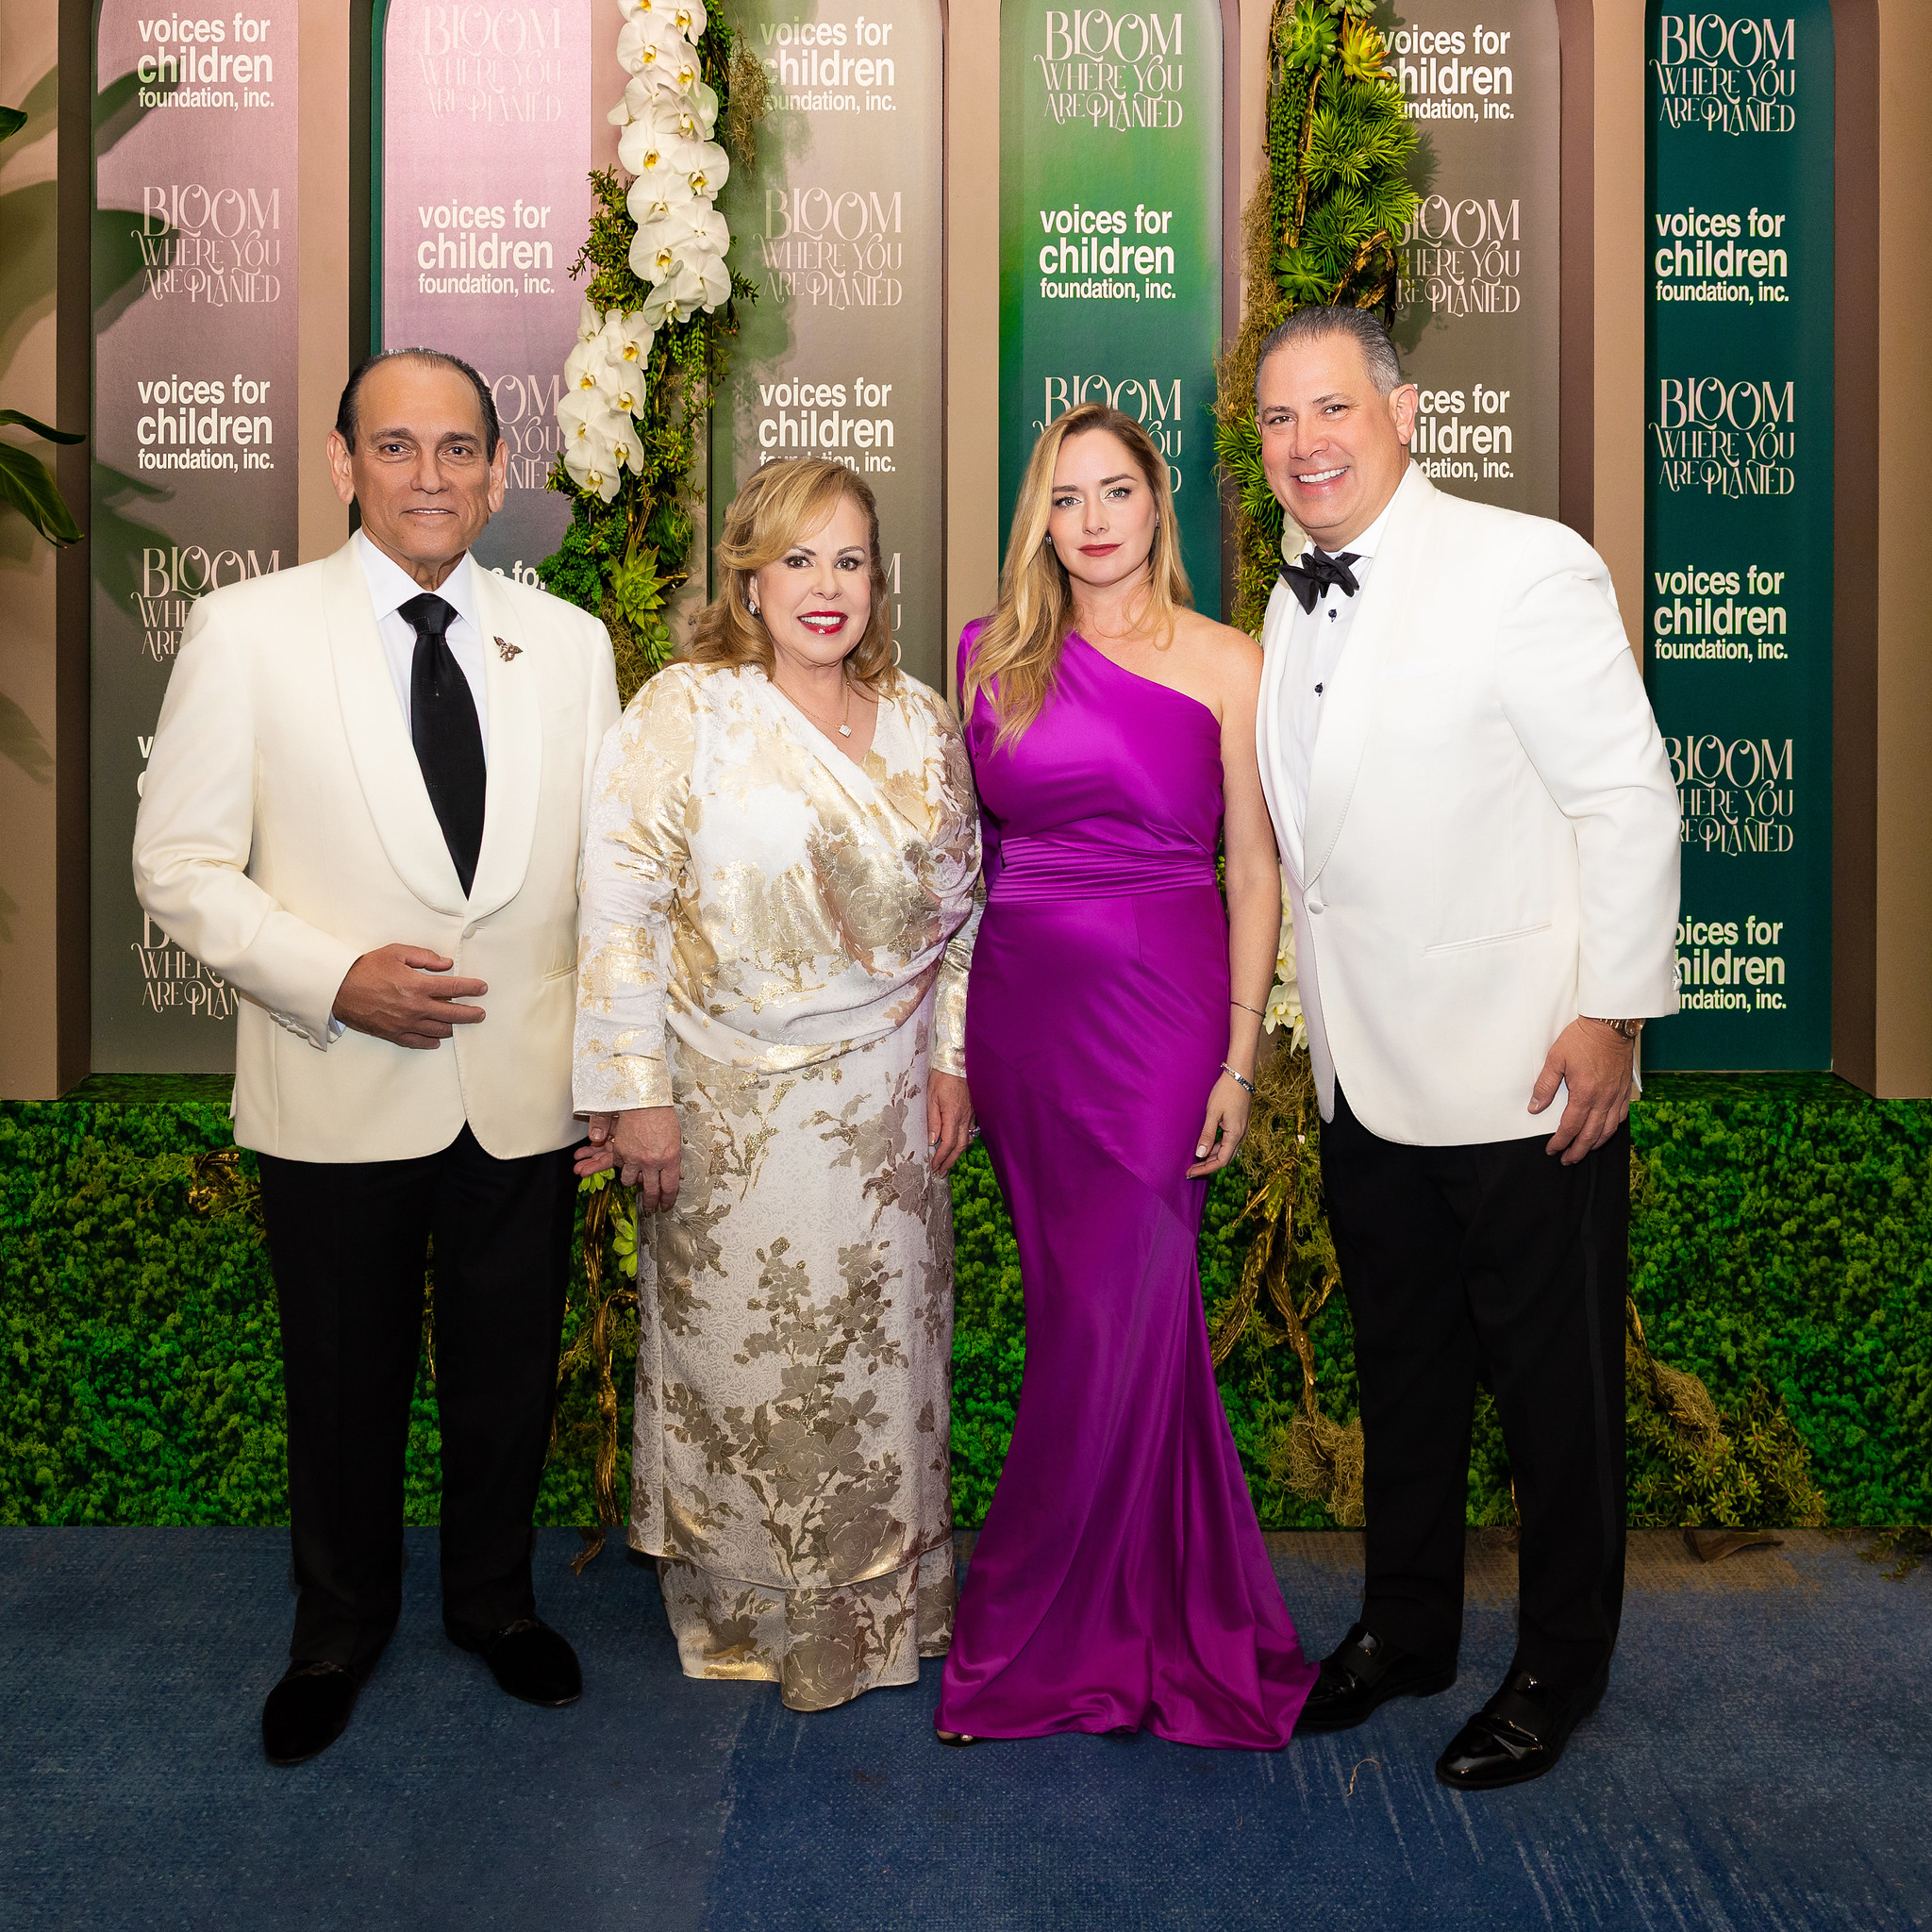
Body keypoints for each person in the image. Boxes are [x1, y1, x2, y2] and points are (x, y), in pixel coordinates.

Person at [132, 349, 620, 1767]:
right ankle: (335, 1632)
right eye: (395, 447)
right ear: (344, 464)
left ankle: (494, 1604)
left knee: (506, 1378)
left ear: (498, 472)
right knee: (342, 1381)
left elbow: (614, 883)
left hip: (523, 1091)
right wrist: (332, 977)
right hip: (334, 1079)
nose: (429, 475)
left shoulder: (569, 645)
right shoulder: (247, 632)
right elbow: (178, 865)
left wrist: (614, 1068)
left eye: (459, 448)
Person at [1250, 307, 1681, 1790]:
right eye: (1278, 419)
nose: (1305, 442)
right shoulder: (1290, 603)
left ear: (1404, 413)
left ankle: (1560, 1667)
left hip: (1524, 1076)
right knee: (1407, 1378)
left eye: (1331, 408)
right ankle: (1407, 1629)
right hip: (1365, 1078)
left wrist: (1612, 1012)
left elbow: (1627, 795)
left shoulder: (1522, 566)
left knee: (1558, 1402)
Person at [933, 404, 1319, 1749]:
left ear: (1159, 504)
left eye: (1116, 491)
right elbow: (968, 865)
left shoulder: (1230, 661)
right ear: (1039, 523)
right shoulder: (989, 656)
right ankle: (1135, 1614)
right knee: (1083, 1320)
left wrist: (1239, 1055)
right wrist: (951, 1043)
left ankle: (1044, 1627)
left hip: (1163, 1024)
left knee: (1123, 1311)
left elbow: (1254, 870)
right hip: (1026, 1023)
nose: (1092, 520)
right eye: (1065, 497)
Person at [572, 457, 979, 1713]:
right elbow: (621, 910)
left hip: (890, 1116)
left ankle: (889, 1610)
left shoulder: (920, 718)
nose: (825, 586)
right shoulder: (684, 711)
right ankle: (748, 1615)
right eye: (798, 559)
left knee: (882, 1372)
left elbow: (966, 910)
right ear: (747, 576)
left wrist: (954, 1057)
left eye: (849, 560)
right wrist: (635, 1093)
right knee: (745, 1372)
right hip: (729, 1115)